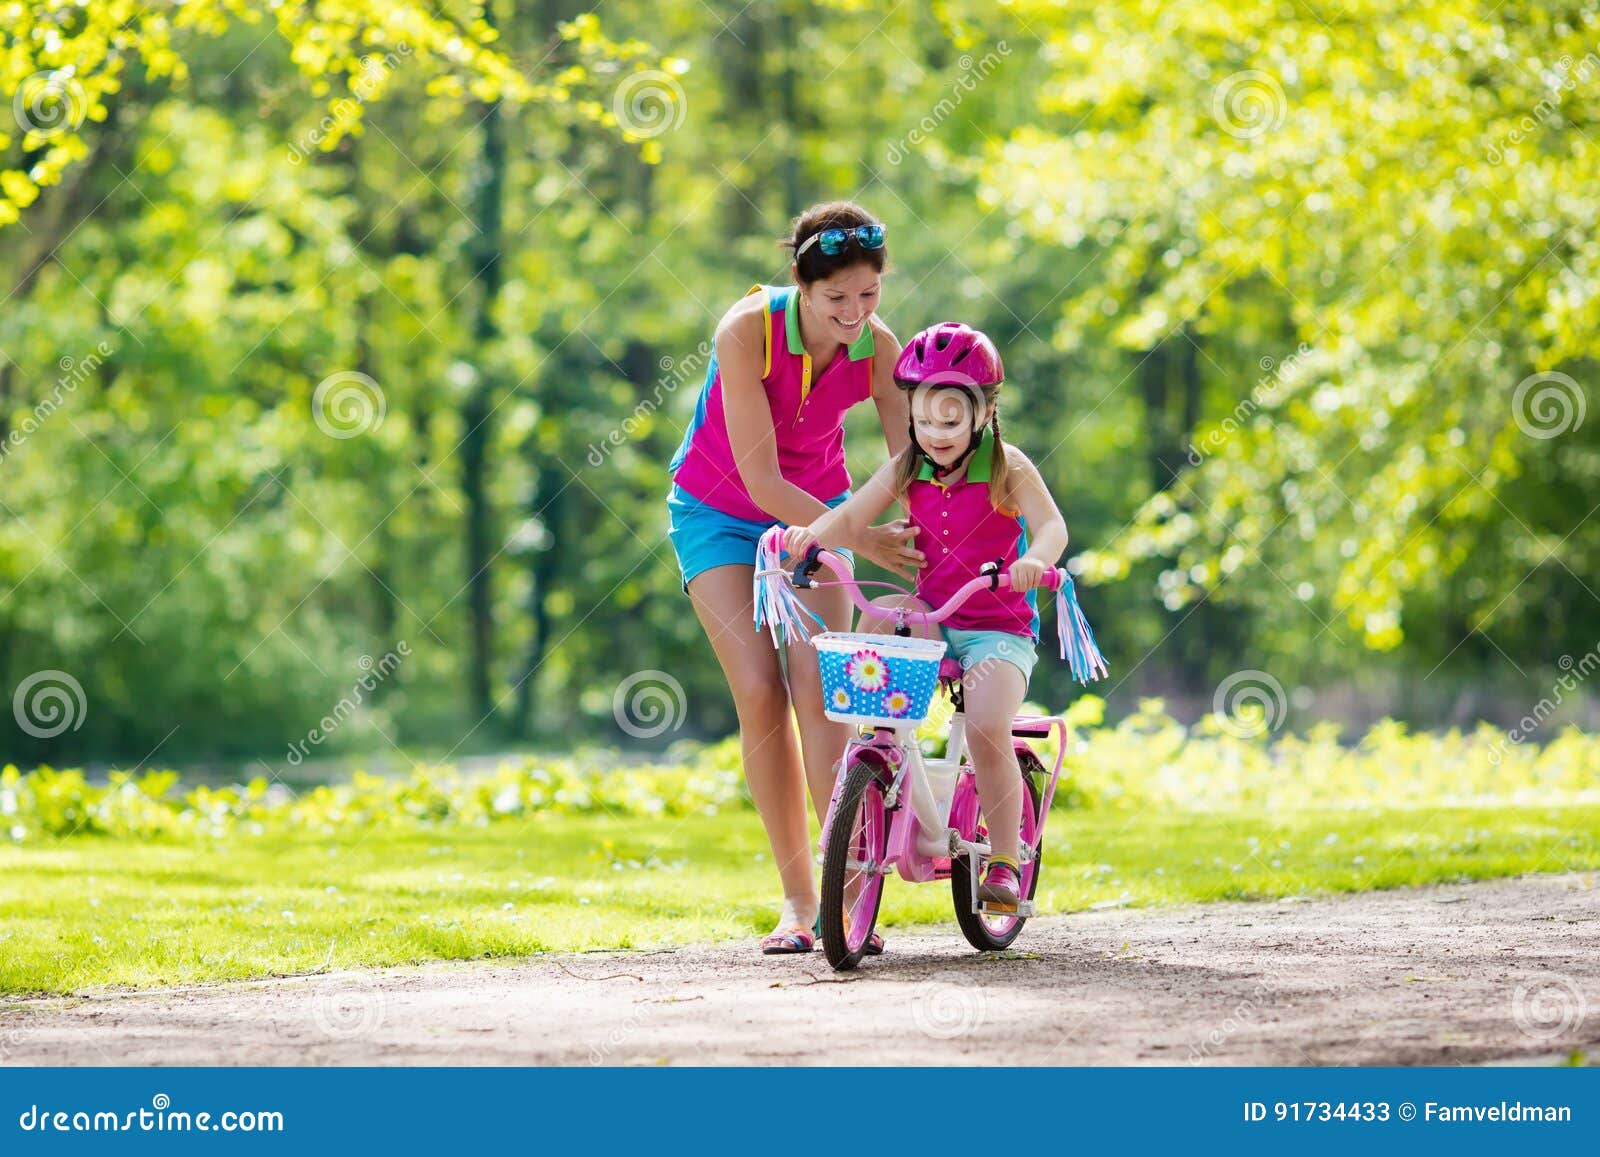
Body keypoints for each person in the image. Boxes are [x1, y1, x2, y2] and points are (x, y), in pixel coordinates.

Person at [665, 201, 923, 954]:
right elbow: (759, 476)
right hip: (720, 513)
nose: (854, 312)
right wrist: (865, 540)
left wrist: (935, 529)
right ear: (801, 287)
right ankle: (796, 900)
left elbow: (909, 462)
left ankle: (847, 897)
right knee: (760, 692)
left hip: (824, 514)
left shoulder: (879, 349)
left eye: (869, 294)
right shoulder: (745, 331)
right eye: (835, 297)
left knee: (825, 691)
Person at [781, 322, 1070, 912]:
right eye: (923, 419)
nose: (935, 434)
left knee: (988, 729)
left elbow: (1052, 527)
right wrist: (809, 542)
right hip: (936, 616)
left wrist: (1034, 562)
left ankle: (1007, 861)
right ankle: (882, 745)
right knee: (883, 614)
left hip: (997, 627)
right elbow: (850, 516)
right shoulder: (907, 466)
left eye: (950, 420)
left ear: (983, 413)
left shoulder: (1007, 466)